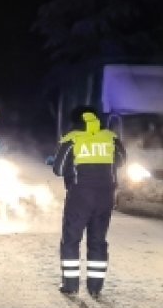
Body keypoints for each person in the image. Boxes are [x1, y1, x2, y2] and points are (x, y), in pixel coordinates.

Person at [52, 106, 125, 297]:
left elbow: (58, 169)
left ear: (76, 121)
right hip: (105, 197)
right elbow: (121, 161)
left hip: (79, 196)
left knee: (71, 240)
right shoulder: (110, 138)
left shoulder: (72, 139)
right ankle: (95, 288)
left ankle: (70, 286)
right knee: (98, 241)